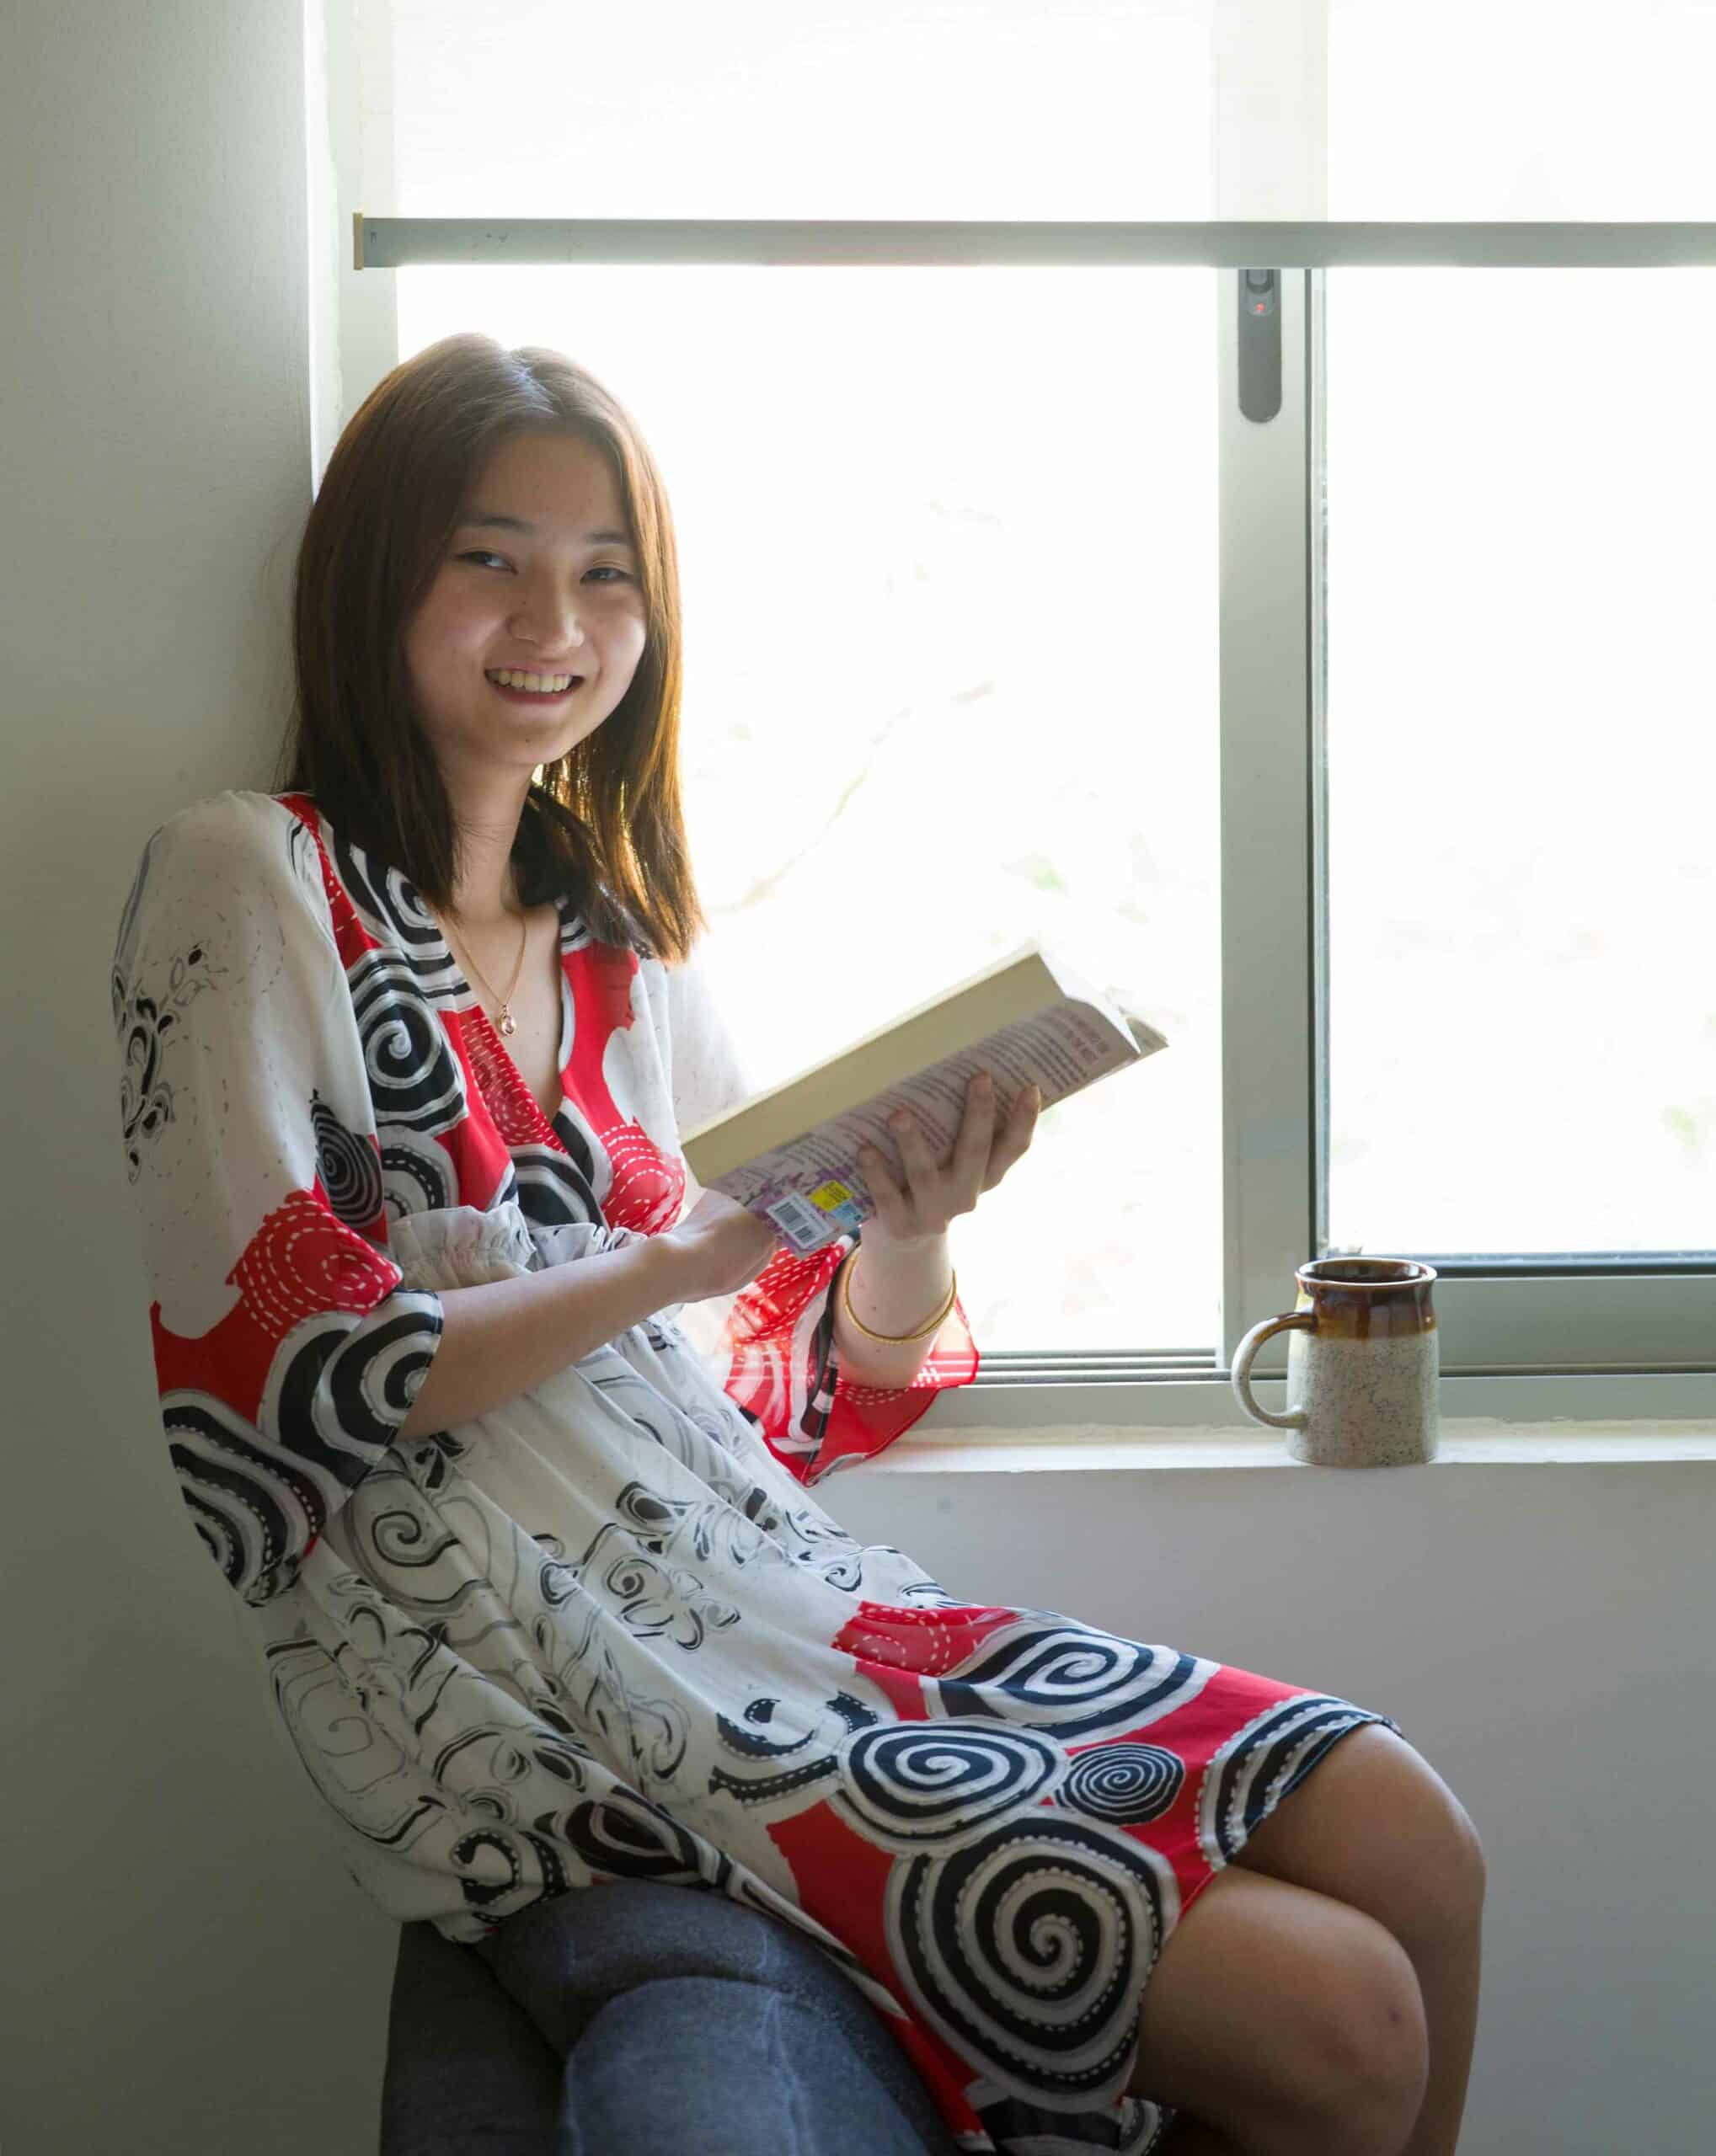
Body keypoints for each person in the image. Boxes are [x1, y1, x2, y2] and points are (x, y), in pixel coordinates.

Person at [110, 334, 1483, 2156]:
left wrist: (898, 1230)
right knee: (1338, 2012)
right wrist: (674, 1261)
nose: (556, 617)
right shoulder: (252, 880)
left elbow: (789, 1387)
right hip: (563, 1696)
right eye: (488, 555)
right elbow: (271, 1382)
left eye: (608, 572)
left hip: (788, 1603)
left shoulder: (619, 944)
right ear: (376, 574)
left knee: (1406, 1828)